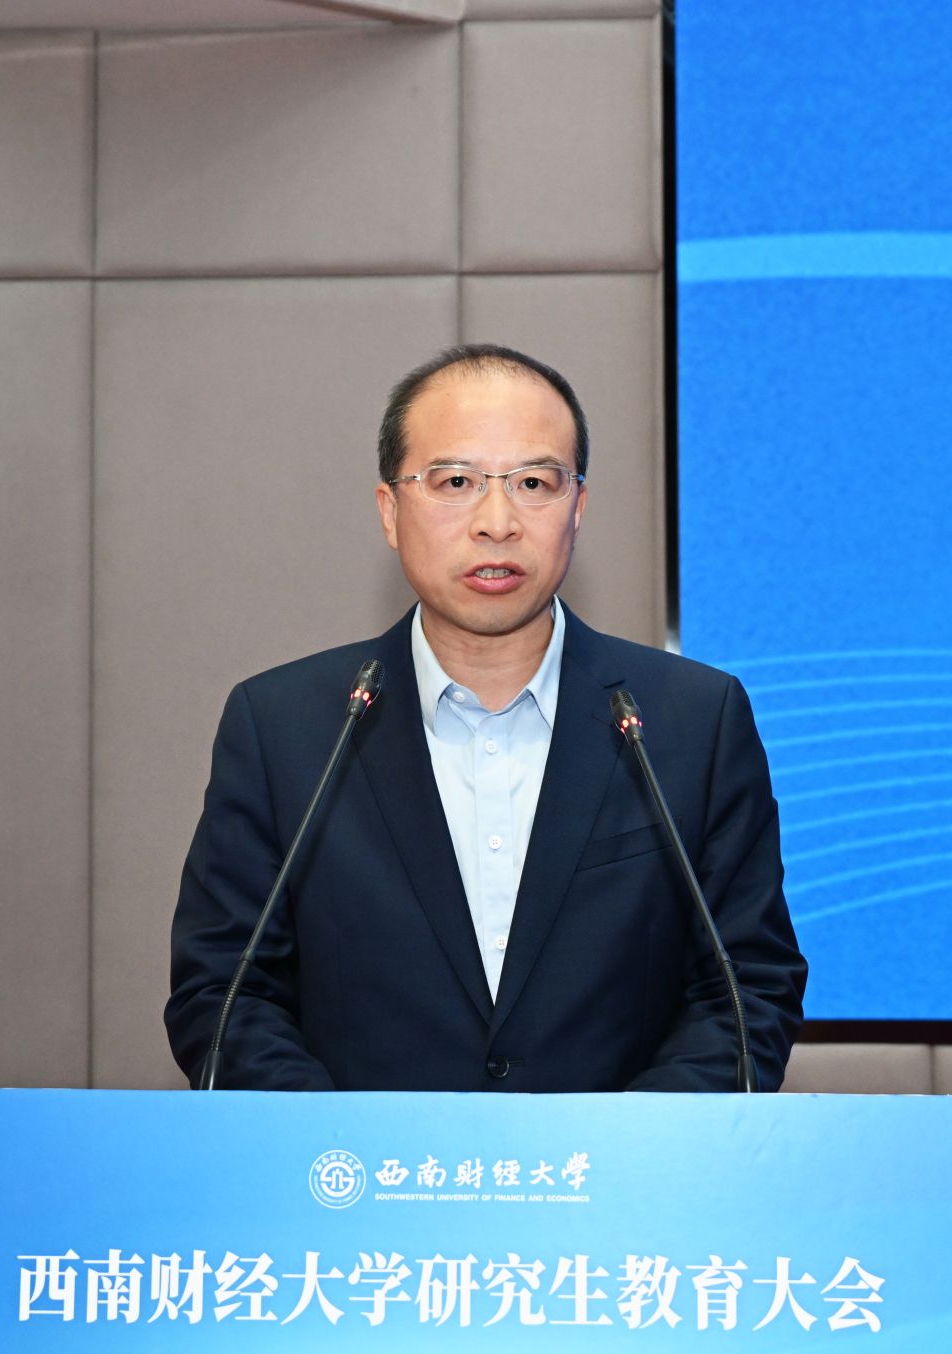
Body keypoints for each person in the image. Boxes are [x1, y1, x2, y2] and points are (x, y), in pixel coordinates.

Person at [165, 344, 805, 1091]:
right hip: (355, 1167)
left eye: (534, 482)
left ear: (577, 509)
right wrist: (353, 1150)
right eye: (456, 482)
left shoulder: (691, 721)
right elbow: (224, 996)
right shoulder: (285, 727)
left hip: (620, 1167)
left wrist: (623, 1149)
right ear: (390, 511)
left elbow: (746, 990)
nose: (496, 522)